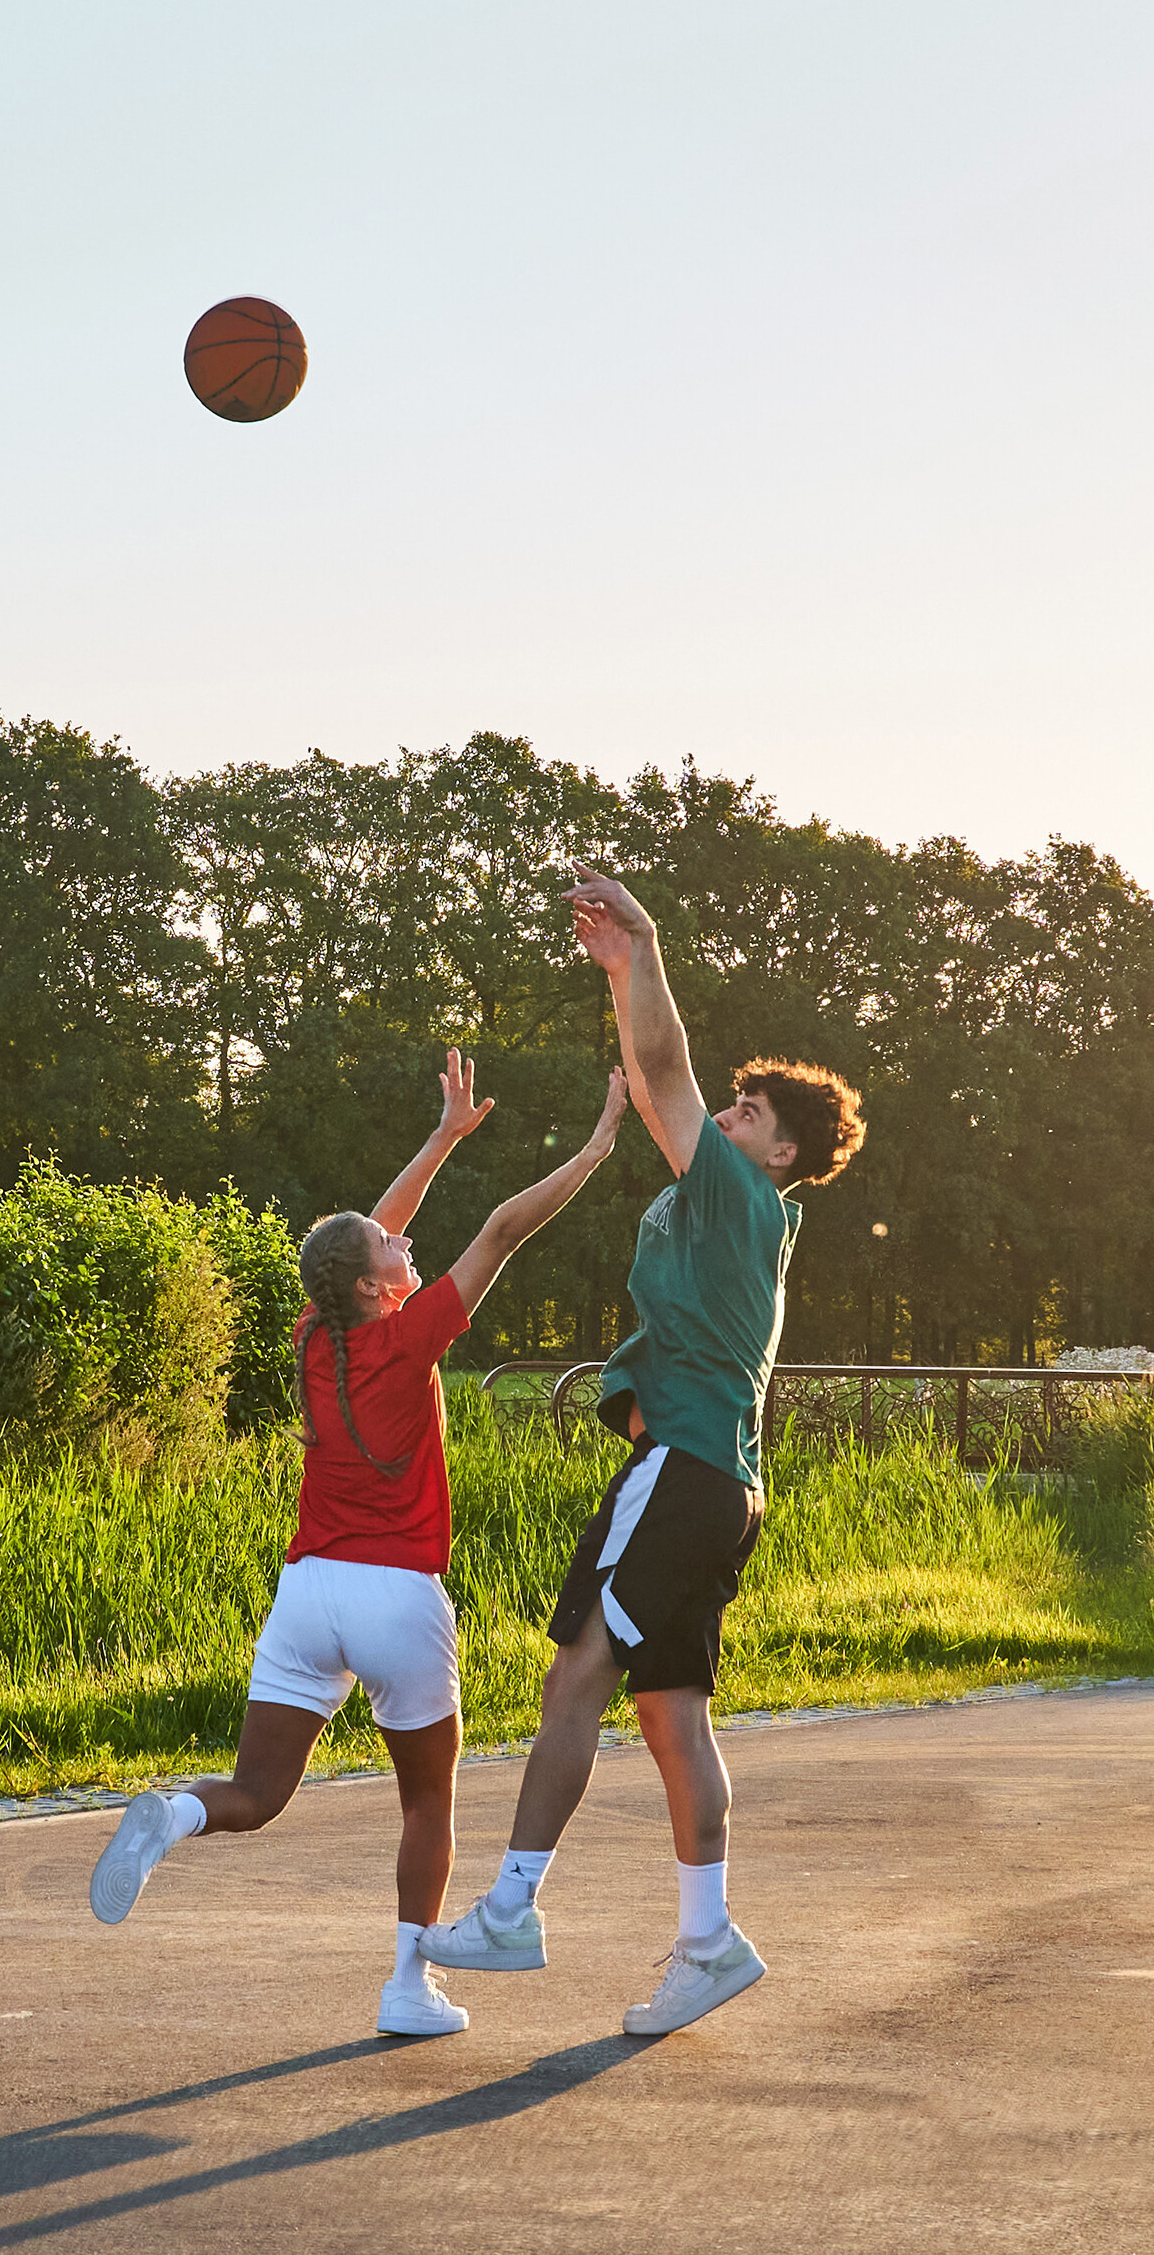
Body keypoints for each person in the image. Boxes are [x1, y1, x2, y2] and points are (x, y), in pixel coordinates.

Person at [91, 1048, 631, 2039]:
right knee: (427, 1801)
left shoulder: (316, 1332)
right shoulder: (408, 1331)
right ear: (379, 1288)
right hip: (397, 1600)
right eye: (396, 1253)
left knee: (256, 1790)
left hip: (306, 1597)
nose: (407, 1248)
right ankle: (406, 1986)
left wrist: (443, 1137)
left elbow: (367, 1236)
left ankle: (175, 1815)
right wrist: (600, 1143)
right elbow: (502, 1228)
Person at [422, 861, 866, 2037]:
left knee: (576, 1671)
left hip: (687, 1473)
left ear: (774, 1155)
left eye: (748, 1116)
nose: (724, 1118)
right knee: (671, 1715)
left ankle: (514, 1909)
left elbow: (663, 1068)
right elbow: (670, 1090)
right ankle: (709, 1943)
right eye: (731, 1108)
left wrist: (640, 951)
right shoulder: (733, 1210)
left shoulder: (741, 1200)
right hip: (715, 1480)